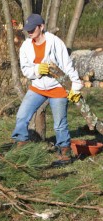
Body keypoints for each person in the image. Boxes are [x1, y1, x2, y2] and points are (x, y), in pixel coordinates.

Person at [11, 14, 83, 165]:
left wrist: (76, 87)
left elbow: (67, 64)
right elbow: (25, 70)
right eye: (27, 30)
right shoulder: (25, 46)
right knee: (21, 116)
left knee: (59, 124)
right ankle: (21, 147)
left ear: (41, 27)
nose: (29, 32)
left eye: (32, 29)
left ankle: (64, 153)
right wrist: (37, 69)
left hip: (58, 88)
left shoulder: (55, 42)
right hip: (37, 87)